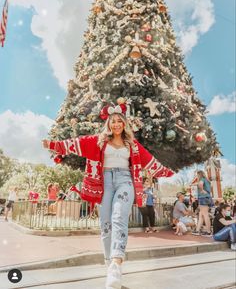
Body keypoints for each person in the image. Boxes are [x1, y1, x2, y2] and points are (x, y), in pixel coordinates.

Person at [42, 101, 174, 289]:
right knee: (105, 225)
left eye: (119, 121)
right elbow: (76, 144)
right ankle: (109, 265)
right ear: (108, 124)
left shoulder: (133, 145)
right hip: (103, 183)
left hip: (125, 181)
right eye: (113, 121)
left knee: (119, 216)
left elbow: (149, 161)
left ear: (124, 123)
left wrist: (166, 172)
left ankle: (116, 262)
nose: (116, 124)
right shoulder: (99, 141)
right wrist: (54, 144)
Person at [192, 171, 212, 236]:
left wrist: (202, 190)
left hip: (203, 198)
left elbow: (200, 184)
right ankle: (197, 230)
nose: (196, 176)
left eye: (197, 175)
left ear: (199, 175)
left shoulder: (202, 179)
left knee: (205, 215)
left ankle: (208, 231)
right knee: (201, 215)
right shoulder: (207, 180)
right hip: (207, 198)